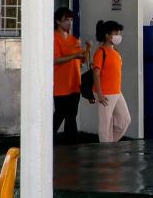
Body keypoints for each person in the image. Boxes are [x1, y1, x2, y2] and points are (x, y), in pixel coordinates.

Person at [89, 20, 129, 142]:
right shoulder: (101, 52)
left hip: (116, 92)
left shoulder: (115, 52)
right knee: (105, 125)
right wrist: (99, 93)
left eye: (119, 33)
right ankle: (105, 149)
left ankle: (109, 143)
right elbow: (96, 73)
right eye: (116, 33)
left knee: (125, 120)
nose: (119, 36)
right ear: (107, 35)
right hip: (105, 93)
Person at [52, 8, 87, 140]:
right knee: (60, 114)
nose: (69, 23)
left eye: (71, 20)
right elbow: (55, 60)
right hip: (61, 85)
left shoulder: (74, 40)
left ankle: (71, 143)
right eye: (66, 20)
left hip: (75, 84)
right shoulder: (53, 38)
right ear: (58, 21)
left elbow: (82, 61)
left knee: (72, 116)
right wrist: (74, 56)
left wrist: (86, 51)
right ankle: (45, 141)